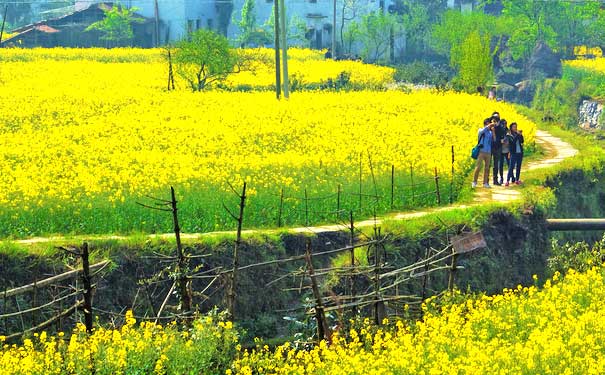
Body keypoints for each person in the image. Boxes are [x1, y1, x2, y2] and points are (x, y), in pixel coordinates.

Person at [472, 118, 496, 188]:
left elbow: (494, 139)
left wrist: (493, 131)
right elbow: (484, 130)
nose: (490, 126)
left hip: (488, 152)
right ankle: (474, 182)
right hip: (481, 151)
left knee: (487, 168)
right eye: (489, 124)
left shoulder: (490, 132)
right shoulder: (481, 130)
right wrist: (491, 124)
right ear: (486, 124)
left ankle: (485, 183)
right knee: (478, 167)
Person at [493, 118, 508, 185]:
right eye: (503, 124)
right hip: (500, 149)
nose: (504, 125)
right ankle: (501, 178)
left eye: (505, 124)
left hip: (507, 149)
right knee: (500, 165)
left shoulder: (507, 130)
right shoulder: (498, 129)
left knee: (509, 164)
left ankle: (511, 177)